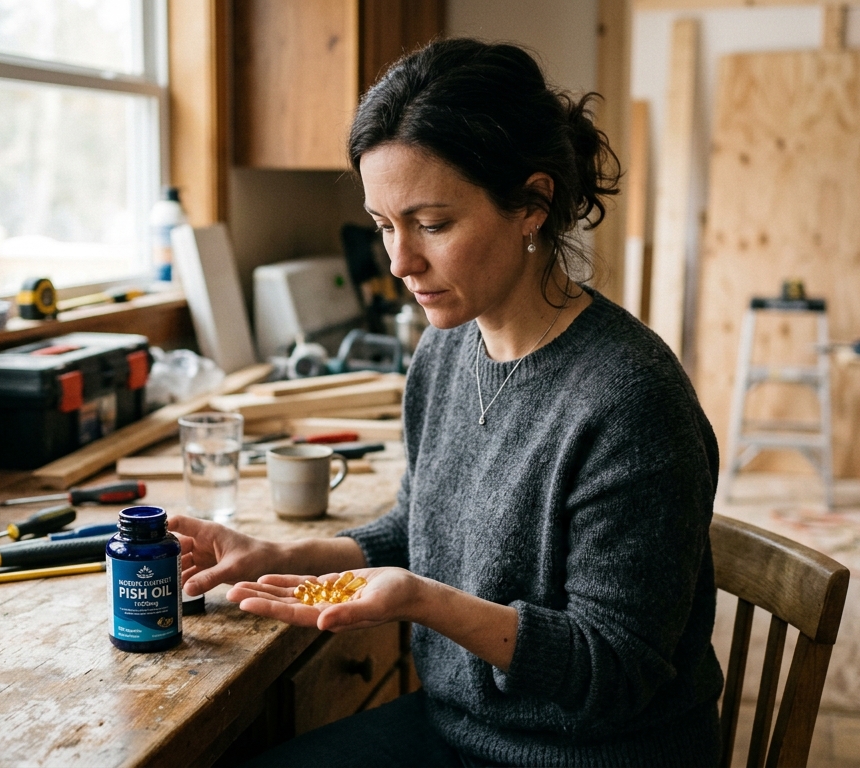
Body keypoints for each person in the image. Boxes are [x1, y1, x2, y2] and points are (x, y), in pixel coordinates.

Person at [168, 38, 724, 767]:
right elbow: (422, 525)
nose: (400, 263)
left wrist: (422, 602)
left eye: (431, 224)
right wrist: (282, 555)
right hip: (458, 730)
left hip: (592, 753)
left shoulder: (631, 402)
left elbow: (614, 671)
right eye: (384, 226)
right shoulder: (447, 349)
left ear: (533, 203)